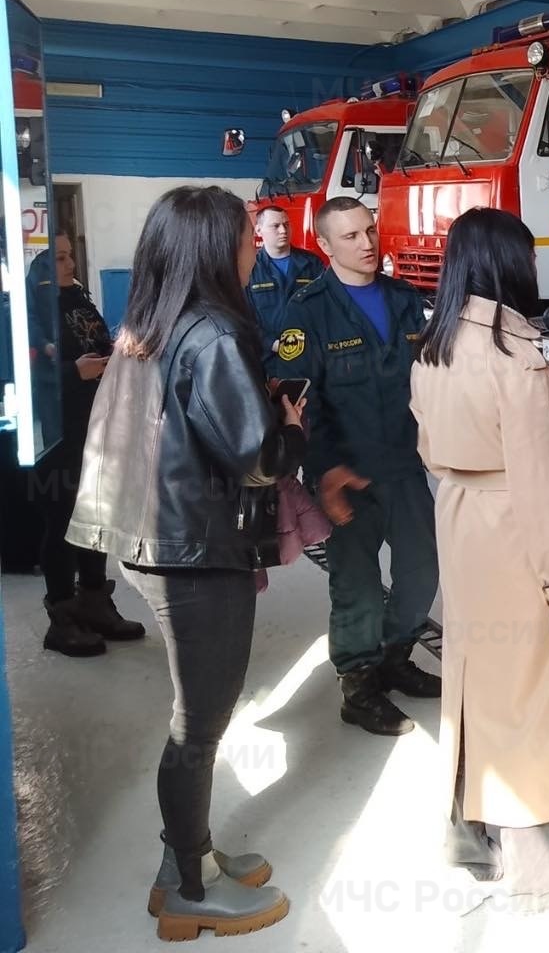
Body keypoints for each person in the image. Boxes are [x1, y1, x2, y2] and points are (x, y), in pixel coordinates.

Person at [66, 185, 304, 941]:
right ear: (216, 247)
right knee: (197, 727)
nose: (250, 246)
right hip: (196, 552)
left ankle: (189, 856)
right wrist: (289, 425)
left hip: (155, 538)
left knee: (193, 720)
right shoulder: (216, 335)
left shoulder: (154, 320)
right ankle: (186, 891)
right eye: (243, 235)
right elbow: (258, 458)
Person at [409, 207, 549, 914]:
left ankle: (467, 826)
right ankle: (532, 862)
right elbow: (544, 490)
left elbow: (431, 451)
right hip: (518, 533)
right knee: (535, 692)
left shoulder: (434, 345)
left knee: (479, 674)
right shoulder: (516, 358)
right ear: (508, 265)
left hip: (461, 521)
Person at [273, 196, 439, 736]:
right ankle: (359, 685)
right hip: (342, 475)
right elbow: (296, 403)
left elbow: (432, 381)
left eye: (370, 230)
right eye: (350, 236)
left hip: (406, 468)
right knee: (358, 587)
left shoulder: (405, 299)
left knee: (421, 574)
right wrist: (323, 475)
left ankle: (395, 657)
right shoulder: (307, 311)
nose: (367, 244)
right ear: (324, 245)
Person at [34, 233, 143, 656]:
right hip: (55, 433)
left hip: (96, 425)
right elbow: (19, 373)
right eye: (59, 258)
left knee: (95, 518)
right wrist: (70, 372)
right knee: (61, 523)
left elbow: (95, 342)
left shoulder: (78, 297)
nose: (69, 264)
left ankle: (94, 600)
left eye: (69, 256)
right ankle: (61, 617)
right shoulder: (29, 310)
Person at [246, 205, 322, 362]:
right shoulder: (249, 268)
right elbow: (243, 317)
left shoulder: (312, 263)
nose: (283, 230)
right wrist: (272, 344)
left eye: (286, 224)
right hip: (267, 359)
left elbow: (326, 306)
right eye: (275, 226)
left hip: (310, 356)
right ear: (259, 230)